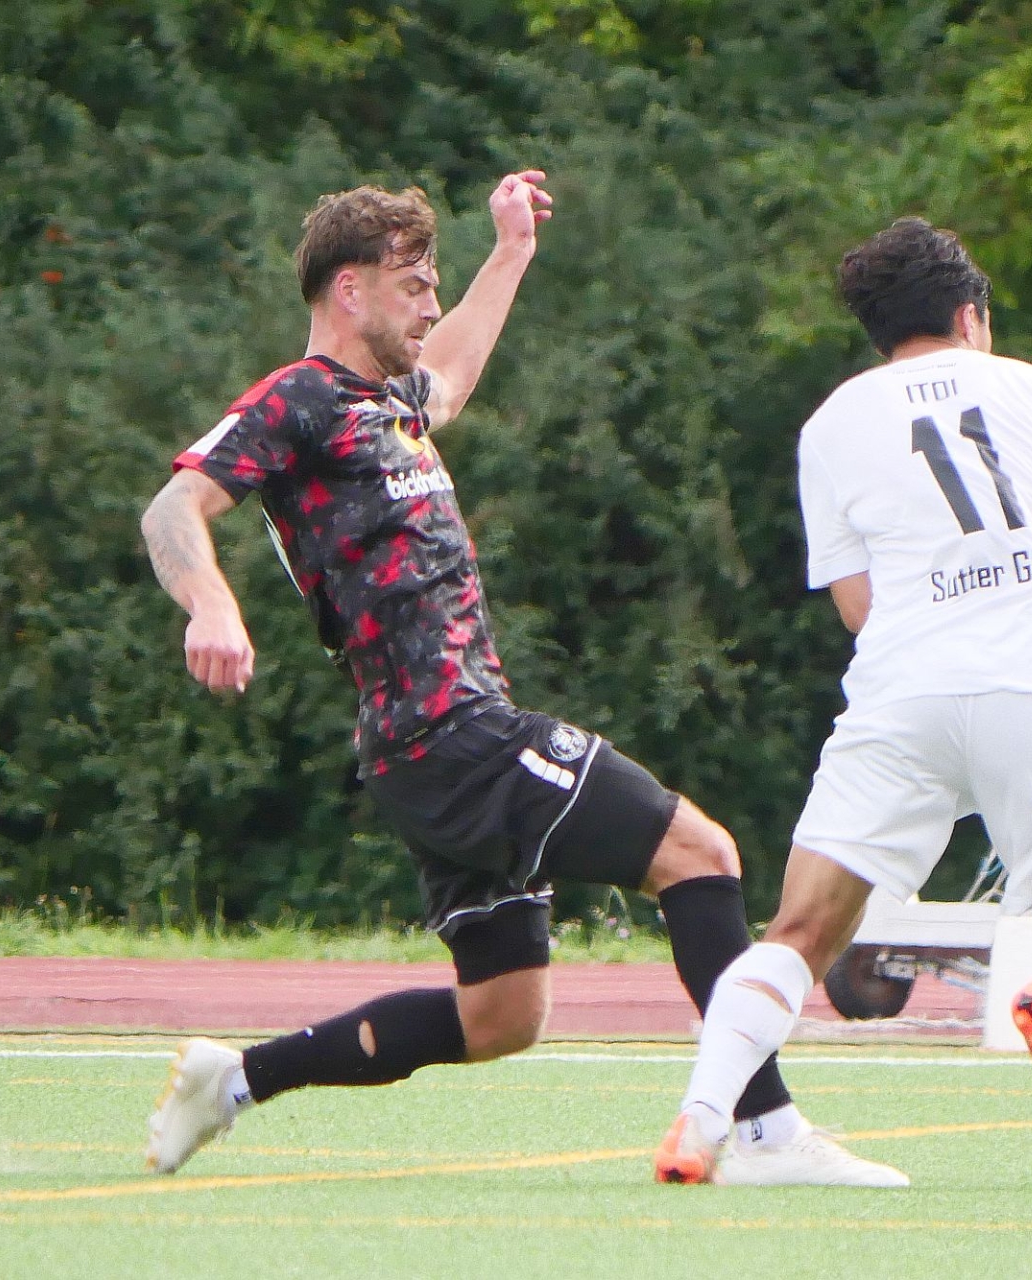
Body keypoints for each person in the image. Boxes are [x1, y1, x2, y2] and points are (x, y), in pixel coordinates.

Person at [138, 174, 903, 1187]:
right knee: (700, 854)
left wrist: (510, 254)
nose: (430, 305)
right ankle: (764, 1131)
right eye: (414, 285)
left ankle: (232, 1080)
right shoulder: (302, 397)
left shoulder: (393, 402)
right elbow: (173, 507)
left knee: (503, 1014)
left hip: (425, 750)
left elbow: (450, 376)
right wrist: (211, 604)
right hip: (452, 735)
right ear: (350, 290)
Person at [654, 217, 1032, 1184]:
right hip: (1031, 685)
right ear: (971, 316)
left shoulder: (831, 424)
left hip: (902, 692)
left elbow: (858, 602)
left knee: (799, 934)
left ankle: (702, 1118)